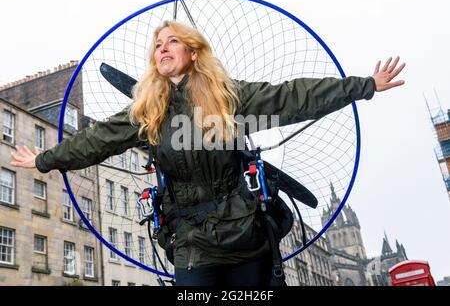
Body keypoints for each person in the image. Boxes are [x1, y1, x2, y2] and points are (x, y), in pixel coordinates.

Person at [10, 20, 405, 286]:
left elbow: (293, 97)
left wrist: (364, 85)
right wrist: (45, 160)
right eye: (157, 46)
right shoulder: (148, 110)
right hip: (192, 242)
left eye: (172, 42)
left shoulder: (228, 97)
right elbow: (96, 140)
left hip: (244, 235)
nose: (162, 49)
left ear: (193, 52)